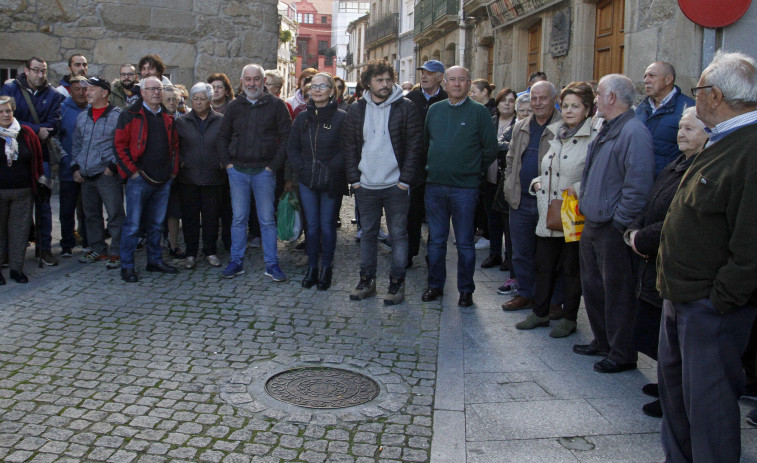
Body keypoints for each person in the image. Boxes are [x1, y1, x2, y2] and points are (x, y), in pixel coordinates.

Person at [657, 51, 757, 463]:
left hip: (710, 307)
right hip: (681, 297)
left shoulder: (749, 149)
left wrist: (720, 300)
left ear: (715, 96)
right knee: (677, 401)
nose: (692, 98)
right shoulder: (723, 140)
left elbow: (750, 243)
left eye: (697, 90)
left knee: (709, 407)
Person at [622, 106, 707, 419]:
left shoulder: (700, 167)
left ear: (708, 133)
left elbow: (678, 218)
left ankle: (675, 396)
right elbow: (654, 200)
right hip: (652, 257)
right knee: (657, 330)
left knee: (676, 339)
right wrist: (636, 230)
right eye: (680, 128)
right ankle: (665, 382)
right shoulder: (677, 162)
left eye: (690, 129)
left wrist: (642, 238)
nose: (681, 134)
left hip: (673, 259)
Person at [573, 74, 654, 373]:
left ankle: (621, 352)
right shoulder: (607, 128)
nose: (595, 100)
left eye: (599, 94)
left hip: (612, 227)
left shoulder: (634, 132)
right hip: (594, 222)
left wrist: (619, 222)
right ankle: (602, 341)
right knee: (593, 287)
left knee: (617, 292)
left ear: (611, 97)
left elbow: (638, 185)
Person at [514, 82, 597, 337]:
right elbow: (547, 163)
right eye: (567, 105)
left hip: (574, 212)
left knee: (571, 268)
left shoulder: (594, 136)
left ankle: (569, 318)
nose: (570, 110)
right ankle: (540, 313)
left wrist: (579, 188)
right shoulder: (556, 131)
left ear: (587, 109)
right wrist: (537, 183)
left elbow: (598, 172)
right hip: (549, 209)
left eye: (576, 106)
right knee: (544, 264)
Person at [342, 60, 423, 305]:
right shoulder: (356, 109)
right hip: (366, 185)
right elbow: (350, 147)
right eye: (379, 80)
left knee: (398, 235)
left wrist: (405, 181)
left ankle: (396, 285)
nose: (385, 84)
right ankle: (367, 282)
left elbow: (415, 147)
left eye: (389, 79)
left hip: (395, 186)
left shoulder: (406, 107)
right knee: (367, 235)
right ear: (368, 82)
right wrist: (355, 181)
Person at [422, 66, 498, 307]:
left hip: (465, 188)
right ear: (444, 83)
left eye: (462, 80)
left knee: (465, 242)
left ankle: (466, 290)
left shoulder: (479, 113)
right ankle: (435, 285)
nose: (456, 84)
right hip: (434, 186)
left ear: (469, 84)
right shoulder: (434, 110)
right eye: (452, 80)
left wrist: (473, 170)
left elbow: (490, 149)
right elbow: (427, 143)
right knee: (435, 240)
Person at [217, 64, 291, 281]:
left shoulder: (277, 105)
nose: (252, 83)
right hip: (238, 171)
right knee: (238, 219)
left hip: (264, 172)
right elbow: (222, 136)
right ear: (242, 81)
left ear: (263, 81)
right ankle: (236, 262)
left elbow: (287, 137)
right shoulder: (233, 106)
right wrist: (227, 164)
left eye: (256, 79)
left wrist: (273, 166)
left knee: (267, 220)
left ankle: (271, 264)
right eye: (248, 79)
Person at [501, 80, 562, 312]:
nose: (537, 103)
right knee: (521, 252)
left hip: (550, 201)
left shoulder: (563, 125)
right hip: (520, 200)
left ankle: (554, 300)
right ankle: (525, 293)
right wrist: (509, 185)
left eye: (543, 98)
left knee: (551, 255)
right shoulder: (522, 125)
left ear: (554, 100)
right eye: (534, 98)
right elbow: (511, 158)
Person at [1, 57, 65, 267]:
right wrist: (36, 130)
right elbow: (8, 119)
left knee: (44, 205)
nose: (40, 75)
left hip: (41, 156)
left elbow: (53, 125)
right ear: (26, 71)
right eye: (36, 70)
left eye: (43, 71)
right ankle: (8, 251)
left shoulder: (54, 95)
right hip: (15, 156)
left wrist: (34, 128)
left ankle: (44, 248)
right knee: (11, 208)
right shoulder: (11, 89)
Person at [115, 76, 180, 283]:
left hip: (163, 179)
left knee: (156, 225)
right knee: (133, 226)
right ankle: (127, 265)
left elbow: (176, 147)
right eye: (151, 89)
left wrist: (173, 171)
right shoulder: (129, 115)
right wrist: (132, 172)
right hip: (139, 179)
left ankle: (154, 261)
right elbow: (119, 146)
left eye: (159, 89)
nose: (156, 93)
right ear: (142, 92)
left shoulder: (168, 117)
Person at [287, 72, 347, 290]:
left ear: (331, 91)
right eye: (314, 86)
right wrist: (302, 168)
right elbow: (292, 148)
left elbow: (347, 149)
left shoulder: (341, 117)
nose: (318, 89)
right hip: (307, 180)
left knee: (327, 226)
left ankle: (327, 268)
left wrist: (331, 168)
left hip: (331, 181)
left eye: (323, 86)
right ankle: (312, 267)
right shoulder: (302, 117)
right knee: (311, 227)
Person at [71, 77, 125, 269]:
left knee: (115, 214)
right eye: (87, 89)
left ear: (104, 92)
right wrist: (75, 167)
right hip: (86, 175)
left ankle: (118, 251)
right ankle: (98, 248)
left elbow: (122, 144)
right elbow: (77, 143)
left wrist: (112, 166)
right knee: (91, 215)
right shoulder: (82, 116)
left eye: (92, 89)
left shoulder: (117, 116)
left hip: (107, 175)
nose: (87, 92)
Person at [175, 82, 225, 269]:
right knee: (190, 218)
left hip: (214, 178)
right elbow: (175, 146)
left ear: (210, 100)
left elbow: (227, 144)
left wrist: (222, 161)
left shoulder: (220, 120)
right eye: (195, 99)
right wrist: (180, 161)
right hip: (188, 178)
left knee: (211, 218)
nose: (198, 102)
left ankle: (210, 251)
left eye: (202, 99)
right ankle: (190, 253)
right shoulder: (181, 122)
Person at [404, 60, 448, 269]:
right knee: (411, 213)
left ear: (440, 76)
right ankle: (409, 252)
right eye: (422, 72)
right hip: (414, 167)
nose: (424, 76)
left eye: (429, 73)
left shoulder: (447, 100)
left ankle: (434, 255)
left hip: (439, 167)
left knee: (436, 215)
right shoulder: (410, 100)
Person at [0, 96, 44, 284]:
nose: (5, 114)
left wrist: (40, 179)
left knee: (19, 232)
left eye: (8, 111)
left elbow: (38, 159)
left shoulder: (25, 133)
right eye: (1, 112)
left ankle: (16, 269)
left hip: (24, 192)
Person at [635, 61, 695, 177]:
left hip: (668, 182)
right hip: (640, 181)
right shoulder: (642, 108)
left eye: (651, 76)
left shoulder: (688, 109)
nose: (646, 80)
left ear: (668, 79)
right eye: (645, 76)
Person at [481, 88, 517, 270]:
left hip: (508, 178)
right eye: (504, 100)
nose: (507, 104)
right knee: (492, 218)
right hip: (490, 176)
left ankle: (509, 257)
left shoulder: (518, 123)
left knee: (507, 221)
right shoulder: (490, 121)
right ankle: (494, 253)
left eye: (511, 101)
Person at [57, 76, 89, 258]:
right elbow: (55, 138)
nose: (81, 93)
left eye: (85, 89)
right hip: (68, 169)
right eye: (77, 89)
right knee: (67, 210)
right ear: (71, 90)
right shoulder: (62, 109)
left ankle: (87, 241)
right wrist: (64, 159)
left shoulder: (93, 109)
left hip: (89, 170)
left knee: (87, 209)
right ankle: (67, 244)